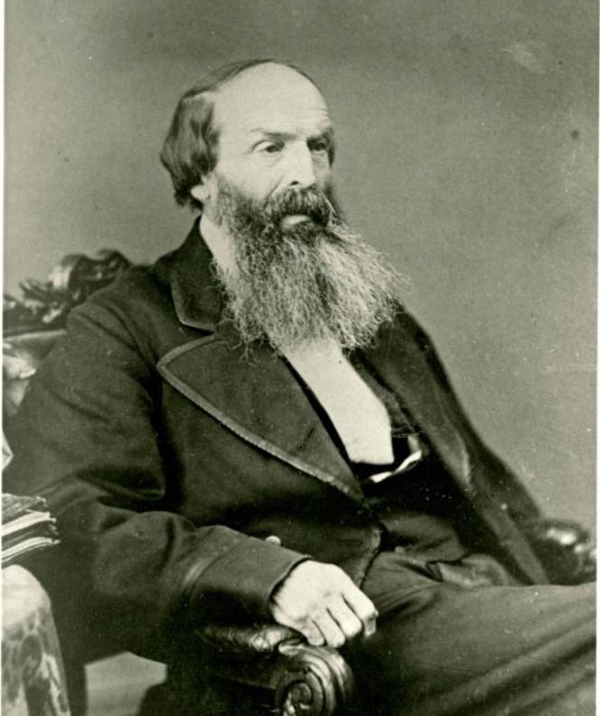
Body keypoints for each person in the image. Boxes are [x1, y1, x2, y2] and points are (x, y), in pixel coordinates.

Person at [5, 59, 595, 716]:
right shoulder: (126, 326)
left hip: (488, 599)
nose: (307, 175)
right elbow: (69, 519)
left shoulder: (364, 307)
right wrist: (266, 575)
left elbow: (482, 484)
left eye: (320, 147)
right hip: (350, 632)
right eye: (271, 147)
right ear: (201, 177)